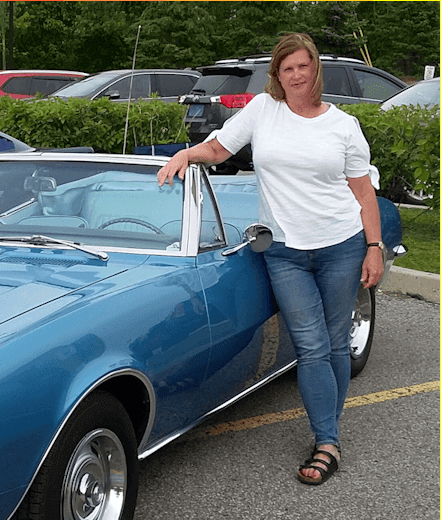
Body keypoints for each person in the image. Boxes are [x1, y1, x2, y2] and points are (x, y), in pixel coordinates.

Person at [157, 33, 385, 486]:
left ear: (315, 68)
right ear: (277, 75)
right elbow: (219, 149)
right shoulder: (263, 110)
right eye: (287, 68)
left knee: (335, 344)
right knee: (311, 346)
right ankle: (328, 440)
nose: (296, 75)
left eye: (303, 66)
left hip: (341, 245)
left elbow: (363, 193)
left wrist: (374, 247)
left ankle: (328, 433)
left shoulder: (343, 126)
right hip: (284, 252)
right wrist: (185, 153)